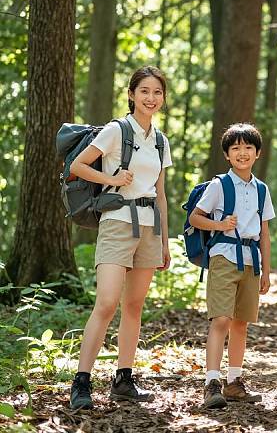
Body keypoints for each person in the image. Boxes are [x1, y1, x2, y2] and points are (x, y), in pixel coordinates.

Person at [69, 66, 172, 409]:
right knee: (108, 302)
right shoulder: (117, 129)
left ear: (163, 98)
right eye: (144, 91)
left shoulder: (160, 140)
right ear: (131, 95)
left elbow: (161, 195)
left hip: (149, 228)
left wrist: (165, 242)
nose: (151, 98)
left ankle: (123, 379)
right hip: (116, 221)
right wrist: (113, 180)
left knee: (134, 306)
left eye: (157, 92)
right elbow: (77, 167)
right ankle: (81, 382)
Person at [189, 123, 275, 409]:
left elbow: (264, 232)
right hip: (224, 255)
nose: (242, 152)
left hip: (252, 261)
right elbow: (195, 218)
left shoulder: (262, 189)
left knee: (241, 323)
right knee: (221, 319)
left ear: (257, 153)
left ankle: (234, 382)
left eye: (248, 147)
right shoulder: (219, 185)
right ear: (227, 154)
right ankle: (212, 383)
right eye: (235, 147)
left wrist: (267, 270)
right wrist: (219, 224)